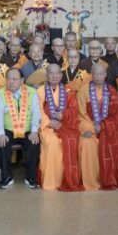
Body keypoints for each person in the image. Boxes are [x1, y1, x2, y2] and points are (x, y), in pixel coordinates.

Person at [77, 64, 118, 190]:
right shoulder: (83, 91)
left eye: (101, 74)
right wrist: (88, 129)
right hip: (90, 128)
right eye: (96, 74)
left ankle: (111, 177)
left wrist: (104, 127)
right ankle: (92, 181)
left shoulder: (112, 91)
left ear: (105, 75)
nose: (98, 77)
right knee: (87, 143)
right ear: (92, 75)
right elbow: (80, 114)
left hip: (109, 130)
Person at [36, 64, 83, 192]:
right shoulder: (40, 91)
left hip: (65, 125)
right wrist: (49, 122)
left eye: (57, 73)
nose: (54, 76)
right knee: (53, 142)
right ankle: (52, 181)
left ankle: (66, 178)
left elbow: (74, 109)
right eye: (51, 73)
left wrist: (64, 115)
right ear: (47, 75)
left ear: (61, 76)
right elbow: (37, 110)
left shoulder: (68, 91)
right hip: (46, 127)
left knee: (71, 140)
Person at [0, 68, 41, 189]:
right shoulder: (0, 93)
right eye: (9, 79)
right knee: (2, 143)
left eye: (15, 79)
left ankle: (31, 177)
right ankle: (6, 177)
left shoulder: (31, 92)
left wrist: (34, 131)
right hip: (8, 129)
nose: (11, 81)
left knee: (34, 143)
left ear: (22, 80)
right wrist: (1, 133)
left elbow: (36, 112)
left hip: (27, 129)